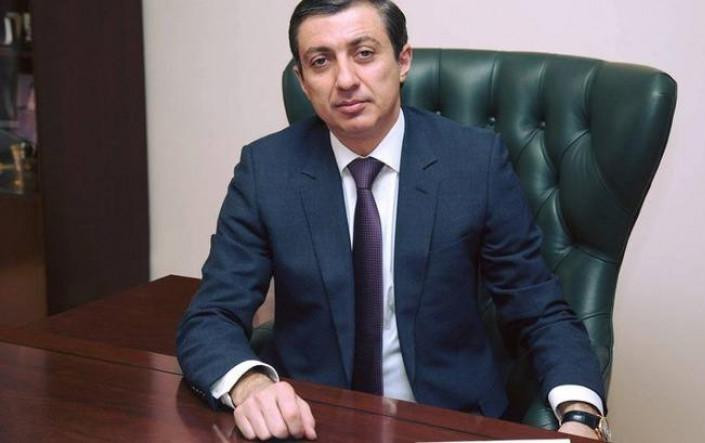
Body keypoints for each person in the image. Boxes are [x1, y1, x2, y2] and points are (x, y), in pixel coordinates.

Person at [177, 0, 610, 440]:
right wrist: (251, 387)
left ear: (403, 61)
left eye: (364, 53)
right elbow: (211, 316)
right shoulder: (266, 171)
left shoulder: (474, 163)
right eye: (321, 61)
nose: (346, 80)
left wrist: (581, 416)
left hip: (447, 423)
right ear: (302, 81)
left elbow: (539, 311)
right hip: (313, 423)